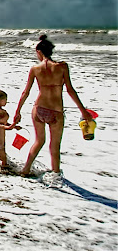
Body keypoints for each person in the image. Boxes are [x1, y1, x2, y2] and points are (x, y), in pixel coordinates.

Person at [14, 34, 92, 178]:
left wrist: (17, 111)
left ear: (39, 52)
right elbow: (70, 90)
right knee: (54, 145)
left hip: (39, 109)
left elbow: (26, 92)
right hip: (56, 112)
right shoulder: (62, 67)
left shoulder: (35, 69)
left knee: (39, 141)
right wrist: (83, 111)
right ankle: (56, 175)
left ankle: (25, 169)